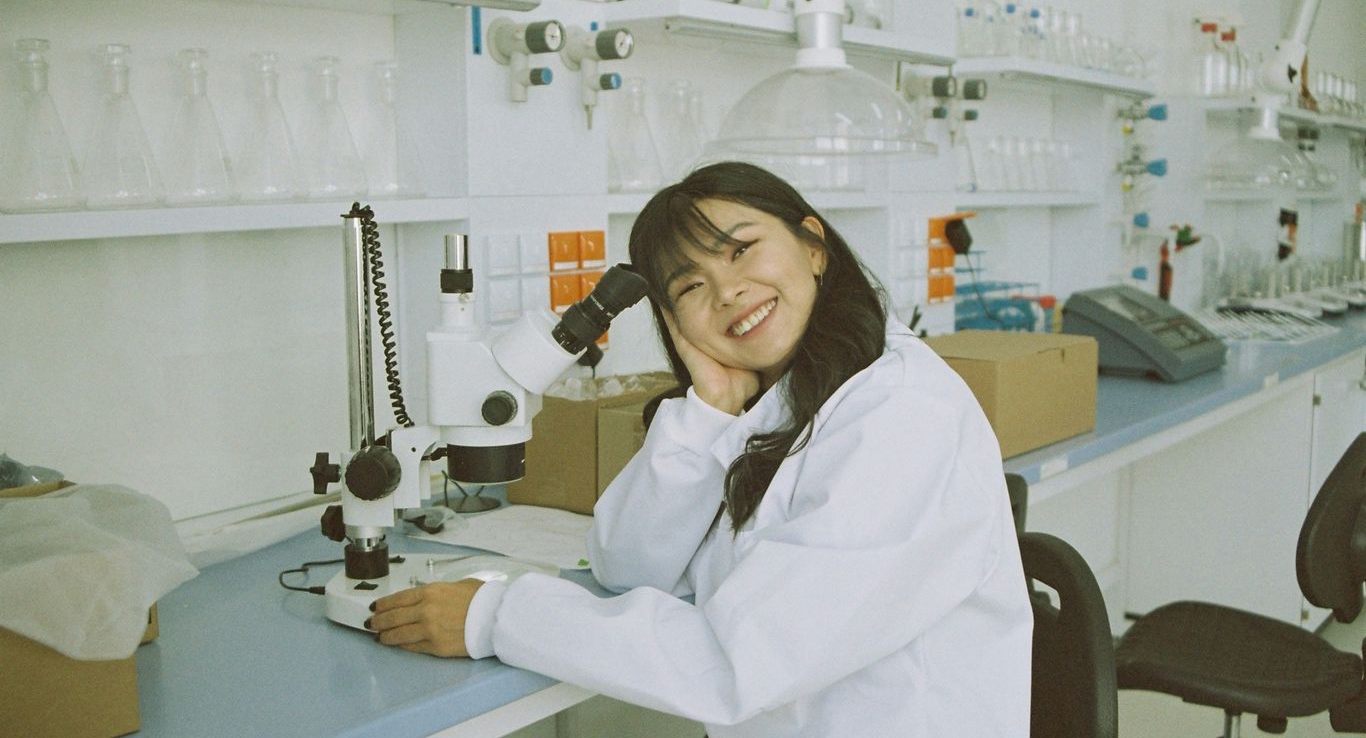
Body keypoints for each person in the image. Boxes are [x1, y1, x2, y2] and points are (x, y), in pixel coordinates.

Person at [368, 161, 1033, 736]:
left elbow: (734, 663)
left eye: (742, 250)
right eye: (688, 286)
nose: (726, 291)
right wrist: (706, 416)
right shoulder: (781, 405)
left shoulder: (900, 415)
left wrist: (496, 617)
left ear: (813, 247)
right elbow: (625, 565)